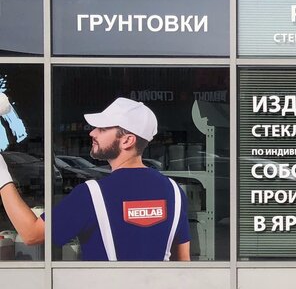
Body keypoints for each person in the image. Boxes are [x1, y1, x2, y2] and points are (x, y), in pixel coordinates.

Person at [0, 97, 191, 261]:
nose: (92, 133)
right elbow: (183, 262)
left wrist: (2, 176)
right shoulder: (174, 191)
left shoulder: (91, 195)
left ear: (127, 140)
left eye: (102, 128)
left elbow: (31, 234)